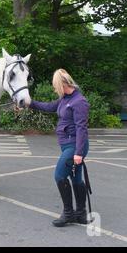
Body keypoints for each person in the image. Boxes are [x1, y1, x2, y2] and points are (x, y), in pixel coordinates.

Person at [28, 69, 90, 227]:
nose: (55, 89)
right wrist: (30, 103)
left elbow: (81, 129)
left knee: (60, 176)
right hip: (67, 145)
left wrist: (78, 153)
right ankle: (81, 214)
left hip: (74, 146)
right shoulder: (65, 99)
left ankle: (68, 213)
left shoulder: (79, 101)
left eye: (56, 86)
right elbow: (49, 107)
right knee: (76, 178)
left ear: (63, 84)